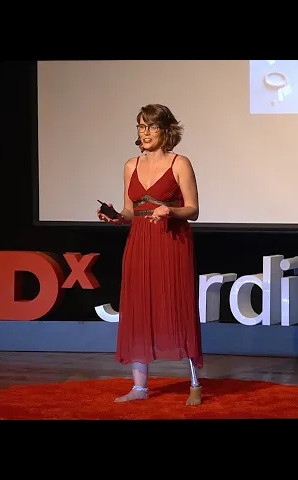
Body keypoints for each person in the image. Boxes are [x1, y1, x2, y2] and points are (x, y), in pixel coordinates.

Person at [97, 104, 204, 406]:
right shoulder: (130, 165)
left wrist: (171, 211)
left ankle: (195, 383)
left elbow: (193, 210)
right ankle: (139, 387)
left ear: (165, 130)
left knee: (177, 305)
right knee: (138, 307)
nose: (144, 133)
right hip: (139, 242)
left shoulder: (179, 163)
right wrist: (116, 217)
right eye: (140, 126)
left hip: (171, 241)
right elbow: (130, 211)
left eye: (151, 127)